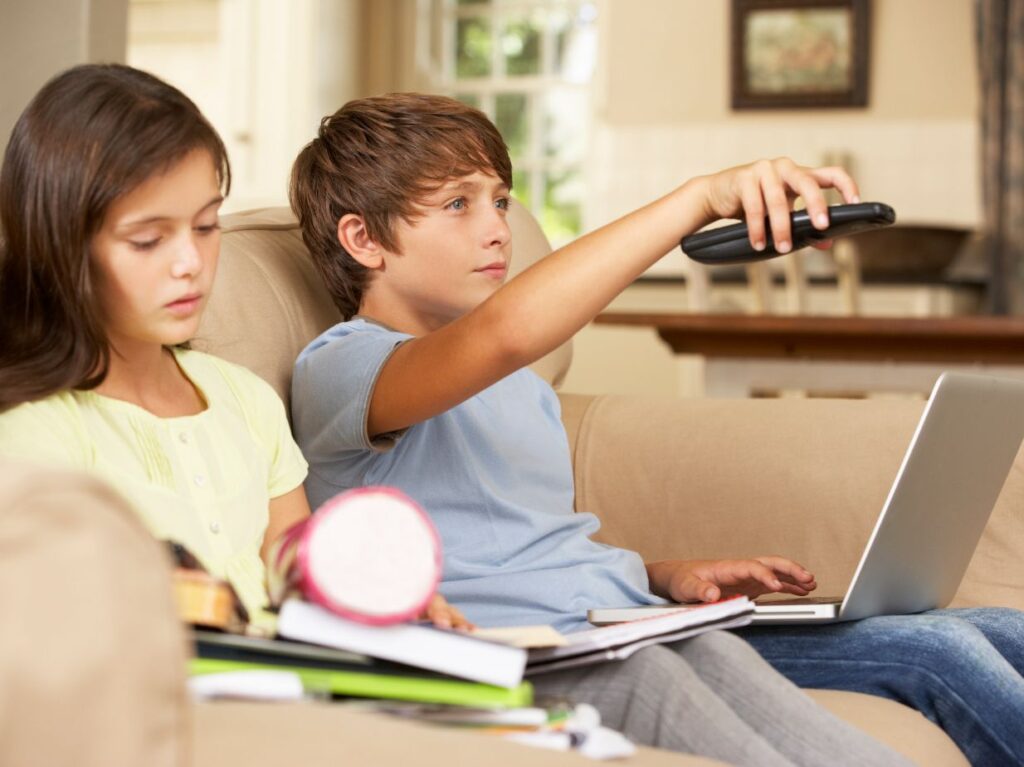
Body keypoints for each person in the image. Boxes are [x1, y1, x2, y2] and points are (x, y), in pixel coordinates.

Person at [287, 93, 916, 767]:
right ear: (364, 240)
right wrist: (699, 200)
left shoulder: (520, 387)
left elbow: (521, 549)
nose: (499, 229)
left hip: (619, 622)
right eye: (457, 204)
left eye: (499, 201)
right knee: (653, 675)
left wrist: (661, 574)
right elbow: (505, 332)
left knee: (727, 652)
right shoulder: (343, 367)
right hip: (512, 652)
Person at [0, 64, 466, 633]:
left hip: (299, 685)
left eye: (205, 226)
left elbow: (295, 574)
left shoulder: (245, 399)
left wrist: (379, 600)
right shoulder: (34, 430)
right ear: (60, 245)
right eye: (148, 240)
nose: (190, 264)